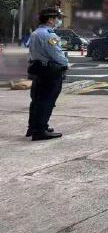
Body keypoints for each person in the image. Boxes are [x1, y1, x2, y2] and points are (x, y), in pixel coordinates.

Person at [26, 8, 69, 140]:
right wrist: (66, 64)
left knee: (37, 100)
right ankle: (40, 130)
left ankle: (33, 127)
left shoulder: (35, 33)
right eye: (57, 18)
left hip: (38, 69)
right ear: (50, 19)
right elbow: (56, 54)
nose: (58, 21)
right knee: (47, 101)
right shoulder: (49, 35)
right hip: (49, 71)